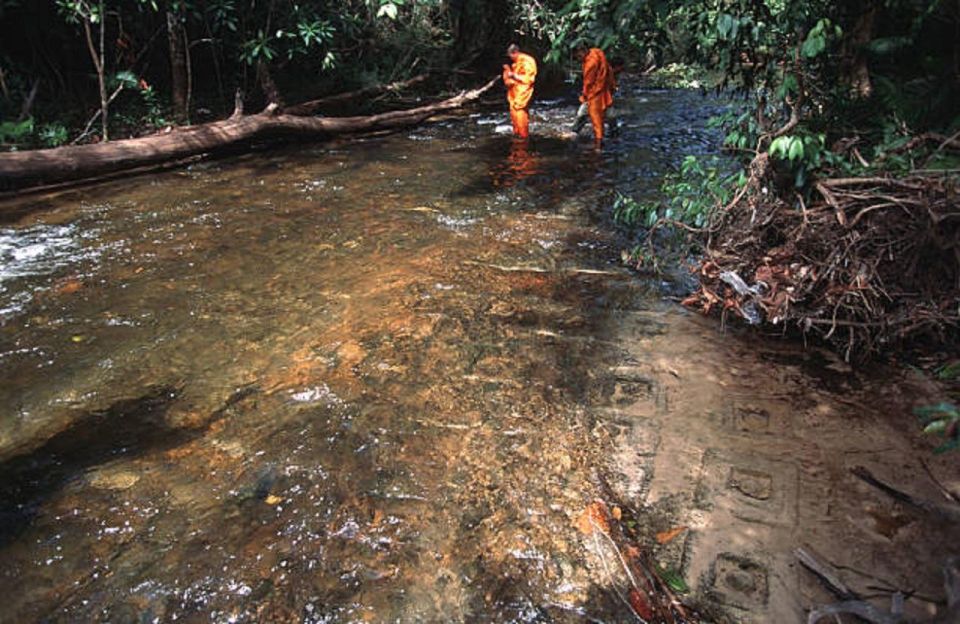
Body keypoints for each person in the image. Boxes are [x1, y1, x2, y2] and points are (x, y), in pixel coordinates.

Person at [574, 46, 616, 144]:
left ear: (582, 50)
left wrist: (584, 96)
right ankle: (614, 131)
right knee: (609, 112)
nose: (578, 58)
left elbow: (588, 83)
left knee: (585, 113)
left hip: (594, 94)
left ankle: (576, 131)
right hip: (605, 90)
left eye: (578, 55)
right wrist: (612, 86)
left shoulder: (590, 64)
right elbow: (608, 71)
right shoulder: (598, 52)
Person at [502, 44, 537, 139]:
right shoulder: (516, 62)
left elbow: (529, 79)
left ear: (515, 53)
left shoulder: (527, 61)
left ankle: (523, 135)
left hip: (522, 90)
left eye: (511, 56)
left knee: (519, 109)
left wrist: (513, 76)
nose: (511, 58)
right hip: (514, 91)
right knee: (514, 110)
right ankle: (517, 133)